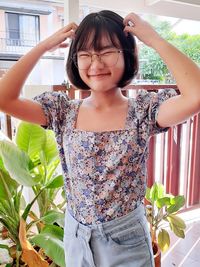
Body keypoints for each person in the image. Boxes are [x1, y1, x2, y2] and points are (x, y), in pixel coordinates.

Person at [0, 10, 200, 267]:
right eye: (84, 54)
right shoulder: (61, 111)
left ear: (126, 54)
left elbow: (195, 96)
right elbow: (4, 98)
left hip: (126, 238)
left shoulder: (144, 112)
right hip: (76, 236)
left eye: (107, 51)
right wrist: (44, 46)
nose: (95, 64)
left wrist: (155, 39)